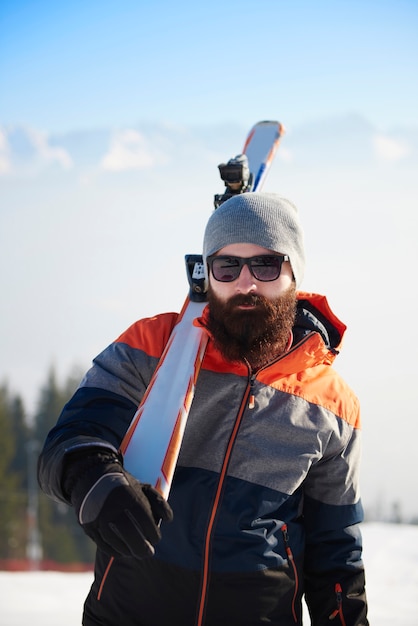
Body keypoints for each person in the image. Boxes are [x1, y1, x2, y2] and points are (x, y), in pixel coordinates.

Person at [38, 193, 368, 626]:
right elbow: (72, 439)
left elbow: (335, 551)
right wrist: (94, 478)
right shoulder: (152, 349)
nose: (245, 283)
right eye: (227, 266)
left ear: (294, 274)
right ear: (206, 275)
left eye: (265, 265)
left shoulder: (331, 402)